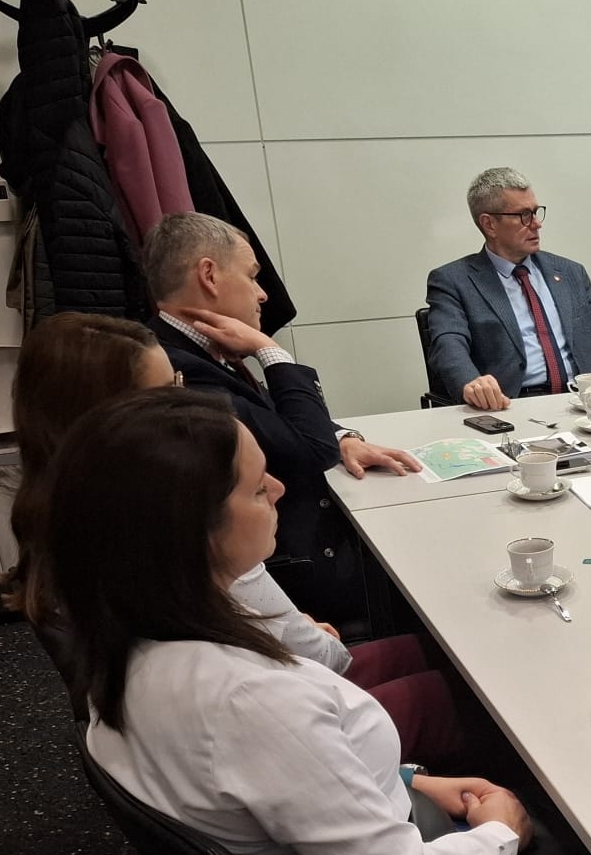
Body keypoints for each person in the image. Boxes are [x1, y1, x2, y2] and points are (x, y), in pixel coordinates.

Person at [49, 389, 591, 855]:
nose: (279, 488)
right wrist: (501, 834)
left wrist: (412, 781)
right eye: (256, 488)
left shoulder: (133, 643)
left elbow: (283, 788)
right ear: (191, 531)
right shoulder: (247, 701)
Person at [8, 311, 485, 771]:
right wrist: (289, 631)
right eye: (168, 392)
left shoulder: (65, 517)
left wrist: (279, 629)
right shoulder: (177, 530)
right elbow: (319, 661)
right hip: (285, 719)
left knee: (449, 655)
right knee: (475, 690)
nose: (185, 400)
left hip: (259, 698)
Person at [144, 212, 418, 621]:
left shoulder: (195, 348)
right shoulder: (176, 370)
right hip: (294, 574)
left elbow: (272, 418)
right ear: (209, 276)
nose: (263, 295)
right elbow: (309, 452)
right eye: (252, 276)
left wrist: (342, 437)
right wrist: (270, 351)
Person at [425, 168, 591, 409]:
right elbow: (448, 346)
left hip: (582, 404)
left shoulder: (571, 273)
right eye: (524, 215)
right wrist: (473, 384)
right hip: (509, 406)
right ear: (489, 224)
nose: (537, 224)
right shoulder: (453, 281)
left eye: (536, 212)